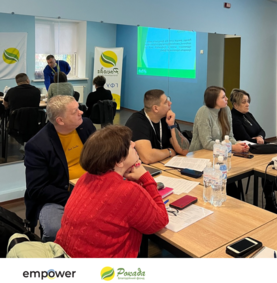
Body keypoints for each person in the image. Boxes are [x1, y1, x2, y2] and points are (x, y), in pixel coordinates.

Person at [54, 125, 169, 258]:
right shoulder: (127, 191)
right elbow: (160, 221)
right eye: (129, 144)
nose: (134, 144)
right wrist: (146, 178)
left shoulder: (85, 178)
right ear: (119, 161)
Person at [24, 95, 96, 242]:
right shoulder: (38, 145)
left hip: (93, 187)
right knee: (55, 229)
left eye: (79, 108)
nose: (81, 112)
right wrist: (75, 197)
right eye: (75, 111)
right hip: (60, 196)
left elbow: (101, 153)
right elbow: (37, 188)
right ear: (60, 121)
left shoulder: (85, 125)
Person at [230, 88, 277, 215]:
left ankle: (271, 200)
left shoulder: (248, 115)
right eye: (244, 102)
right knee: (268, 163)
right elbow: (245, 138)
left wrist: (260, 138)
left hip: (257, 147)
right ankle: (270, 200)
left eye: (248, 101)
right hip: (246, 152)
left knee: (272, 162)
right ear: (235, 104)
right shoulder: (234, 118)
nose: (247, 104)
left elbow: (262, 130)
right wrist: (264, 142)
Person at [125, 89, 189, 164]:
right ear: (155, 108)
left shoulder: (167, 119)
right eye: (166, 102)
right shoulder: (137, 121)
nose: (170, 103)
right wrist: (169, 151)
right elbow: (147, 157)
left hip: (162, 165)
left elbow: (184, 151)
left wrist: (172, 126)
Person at [189, 86, 249, 153]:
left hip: (220, 152)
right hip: (200, 153)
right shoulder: (204, 111)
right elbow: (207, 143)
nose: (226, 99)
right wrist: (232, 147)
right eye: (223, 97)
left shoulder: (226, 110)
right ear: (214, 100)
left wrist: (238, 145)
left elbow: (229, 137)